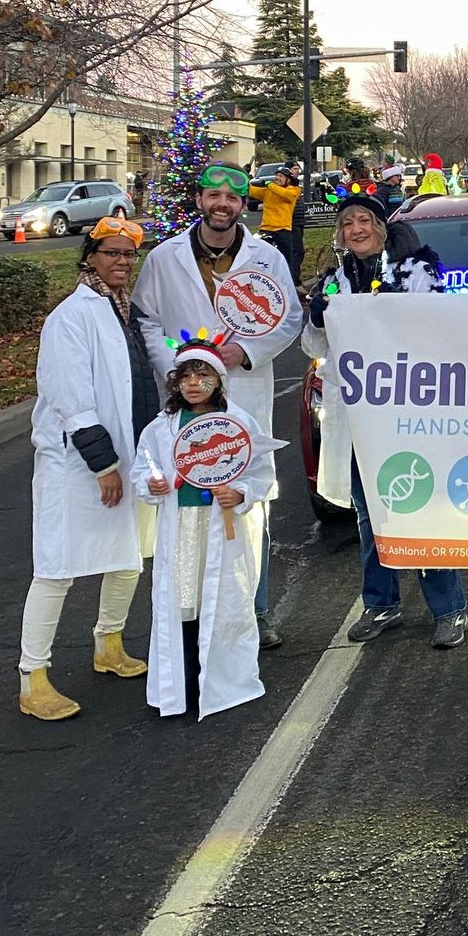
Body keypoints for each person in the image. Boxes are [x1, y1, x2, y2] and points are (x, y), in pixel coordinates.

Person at [133, 164, 303, 650]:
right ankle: (192, 614)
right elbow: (147, 319)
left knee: (247, 502)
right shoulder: (165, 259)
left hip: (243, 396)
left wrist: (247, 352)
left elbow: (289, 317)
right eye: (213, 194)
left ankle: (256, 610)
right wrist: (184, 365)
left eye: (232, 196)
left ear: (243, 204)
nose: (222, 203)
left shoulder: (266, 259)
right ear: (200, 200)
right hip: (183, 398)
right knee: (187, 503)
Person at [302, 190, 468, 648]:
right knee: (368, 512)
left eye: (364, 221)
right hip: (358, 418)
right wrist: (318, 318)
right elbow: (314, 348)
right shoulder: (336, 279)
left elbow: (440, 330)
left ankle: (449, 608)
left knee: (422, 504)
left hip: (407, 412)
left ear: (380, 226)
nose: (356, 229)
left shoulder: (417, 270)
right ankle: (382, 603)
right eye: (348, 223)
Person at [17, 216, 160, 721]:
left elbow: (150, 372)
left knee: (126, 558)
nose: (122, 261)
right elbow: (71, 400)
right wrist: (103, 466)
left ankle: (109, 645)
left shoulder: (127, 312)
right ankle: (33, 679)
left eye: (128, 253)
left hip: (129, 457)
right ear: (90, 257)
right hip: (78, 467)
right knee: (57, 569)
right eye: (112, 252)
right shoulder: (70, 317)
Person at [130, 336, 278, 719]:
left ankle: (225, 680)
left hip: (220, 530)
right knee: (182, 602)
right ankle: (183, 681)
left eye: (203, 374)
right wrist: (153, 483)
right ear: (175, 382)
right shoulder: (161, 429)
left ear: (219, 380)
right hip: (179, 528)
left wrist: (239, 493)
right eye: (186, 375)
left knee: (222, 599)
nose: (194, 383)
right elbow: (143, 467)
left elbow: (260, 472)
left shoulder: (237, 422)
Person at [247, 166, 299, 271]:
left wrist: (269, 184)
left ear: (288, 180)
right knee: (261, 259)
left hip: (283, 230)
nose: (277, 178)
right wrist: (245, 177)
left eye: (281, 176)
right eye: (276, 175)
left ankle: (288, 283)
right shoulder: (268, 190)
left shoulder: (294, 190)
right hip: (266, 229)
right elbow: (251, 191)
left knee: (286, 260)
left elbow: (285, 194)